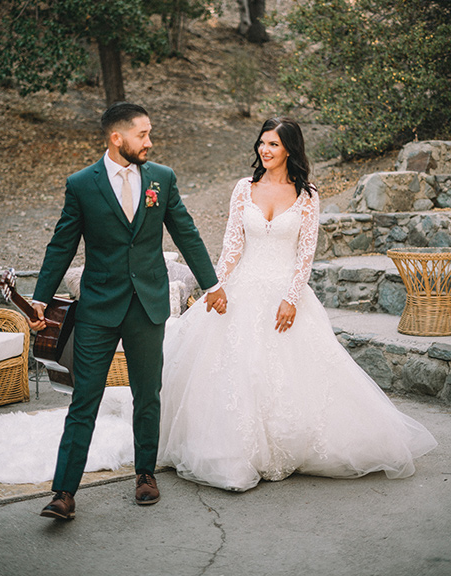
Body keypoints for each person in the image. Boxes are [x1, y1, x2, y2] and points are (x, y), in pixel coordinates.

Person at [157, 117, 437, 491]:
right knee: (236, 371)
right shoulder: (244, 188)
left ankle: (292, 444)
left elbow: (305, 254)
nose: (265, 150)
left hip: (285, 294)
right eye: (262, 143)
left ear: (289, 148)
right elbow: (231, 246)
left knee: (291, 374)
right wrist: (215, 287)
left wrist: (291, 298)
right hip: (241, 289)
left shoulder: (307, 194)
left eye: (273, 144)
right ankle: (236, 452)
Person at [30, 102, 227, 519]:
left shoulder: (162, 179)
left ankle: (145, 475)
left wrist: (212, 284)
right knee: (84, 399)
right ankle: (64, 492)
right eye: (143, 134)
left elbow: (186, 233)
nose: (150, 142)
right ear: (117, 138)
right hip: (98, 310)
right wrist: (39, 298)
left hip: (147, 307)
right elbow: (61, 245)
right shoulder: (82, 184)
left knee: (147, 396)